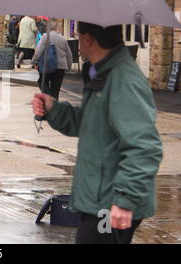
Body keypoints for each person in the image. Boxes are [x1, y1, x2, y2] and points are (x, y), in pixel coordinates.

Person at [32, 22, 163, 244]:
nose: (77, 40)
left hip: (112, 200)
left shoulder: (123, 80)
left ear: (88, 39)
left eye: (78, 34)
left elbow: (145, 147)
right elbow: (86, 123)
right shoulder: (103, 73)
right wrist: (53, 109)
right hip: (101, 196)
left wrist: (125, 201)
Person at [31, 21, 72, 101]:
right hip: (60, 67)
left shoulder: (45, 37)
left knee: (42, 82)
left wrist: (34, 61)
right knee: (56, 89)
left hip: (47, 65)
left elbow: (38, 51)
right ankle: (54, 105)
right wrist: (68, 68)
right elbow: (69, 55)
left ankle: (48, 97)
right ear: (57, 28)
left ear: (47, 28)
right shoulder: (63, 39)